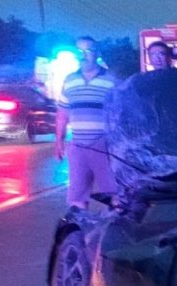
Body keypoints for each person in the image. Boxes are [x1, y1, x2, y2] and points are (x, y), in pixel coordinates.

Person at [55, 36, 118, 211]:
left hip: (104, 146)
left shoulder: (111, 80)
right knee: (77, 196)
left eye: (88, 50)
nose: (83, 55)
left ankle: (114, 232)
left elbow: (121, 113)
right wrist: (59, 141)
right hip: (77, 146)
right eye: (79, 51)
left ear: (97, 54)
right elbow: (62, 112)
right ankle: (78, 233)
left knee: (114, 194)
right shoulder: (70, 80)